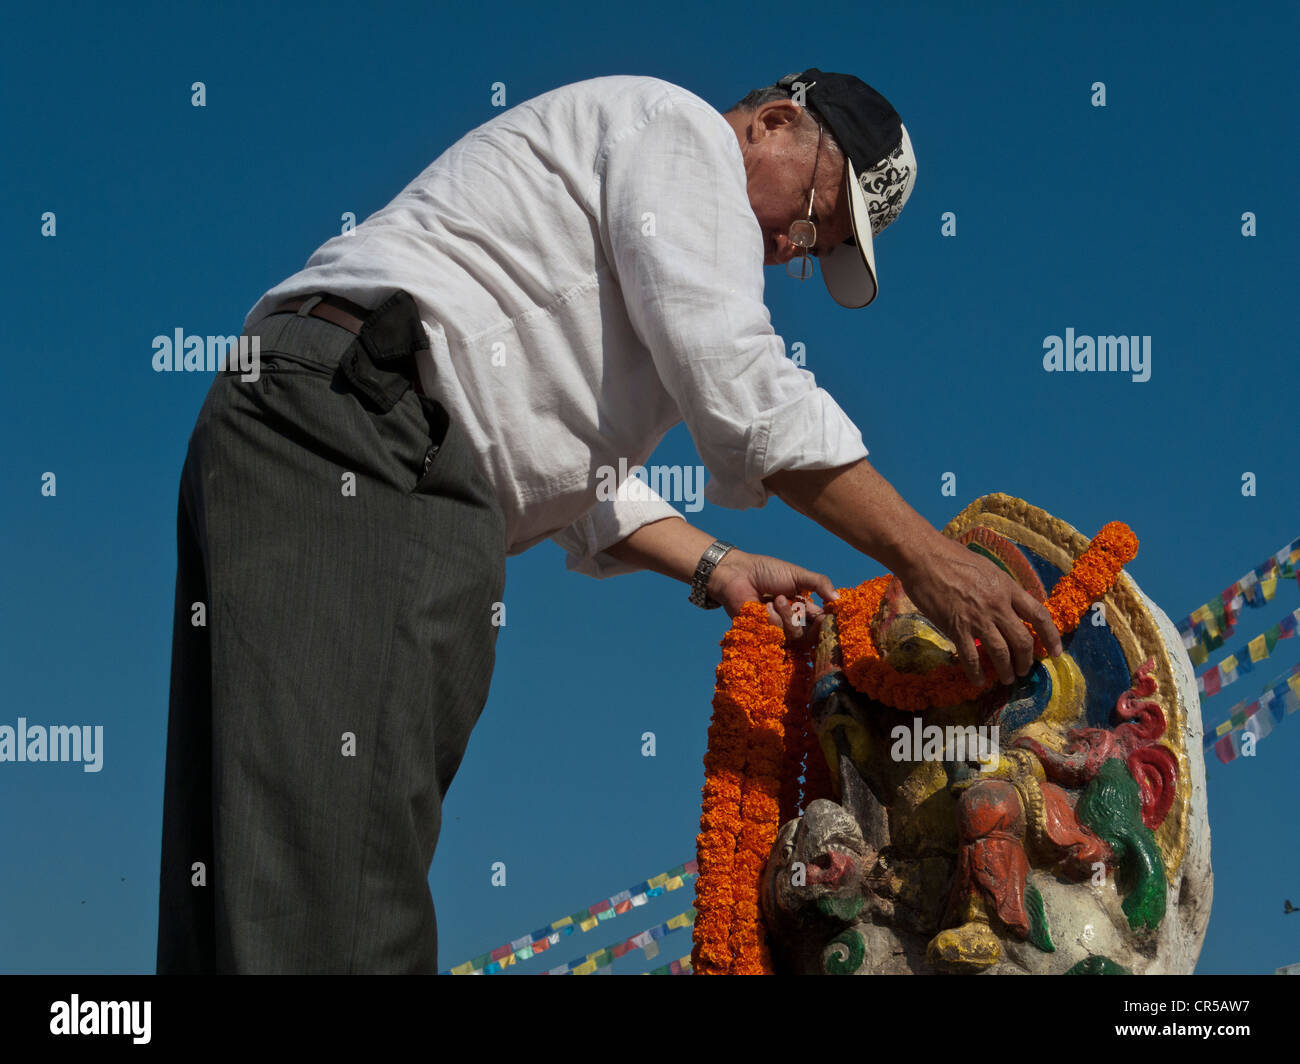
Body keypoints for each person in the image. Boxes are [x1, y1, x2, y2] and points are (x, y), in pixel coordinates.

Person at [157, 68, 1062, 974]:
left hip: (318, 423)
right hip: (369, 437)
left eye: (814, 246)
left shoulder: (627, 218)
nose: (790, 248)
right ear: (777, 121)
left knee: (250, 871)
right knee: (342, 875)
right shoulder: (682, 133)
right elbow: (743, 386)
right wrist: (928, 559)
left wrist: (715, 564)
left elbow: (571, 468)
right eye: (811, 215)